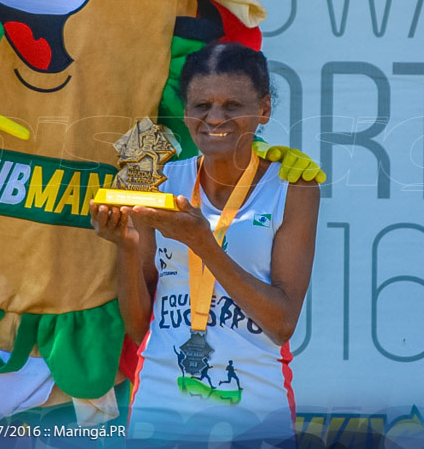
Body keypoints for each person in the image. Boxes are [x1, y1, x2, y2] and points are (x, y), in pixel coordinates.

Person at [91, 43, 320, 446]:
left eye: (233, 105)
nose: (215, 118)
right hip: (159, 404)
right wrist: (125, 246)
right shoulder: (160, 185)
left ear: (263, 109)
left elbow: (282, 323)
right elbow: (139, 325)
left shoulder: (293, 188)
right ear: (185, 113)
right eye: (202, 105)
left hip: (255, 407)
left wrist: (204, 243)